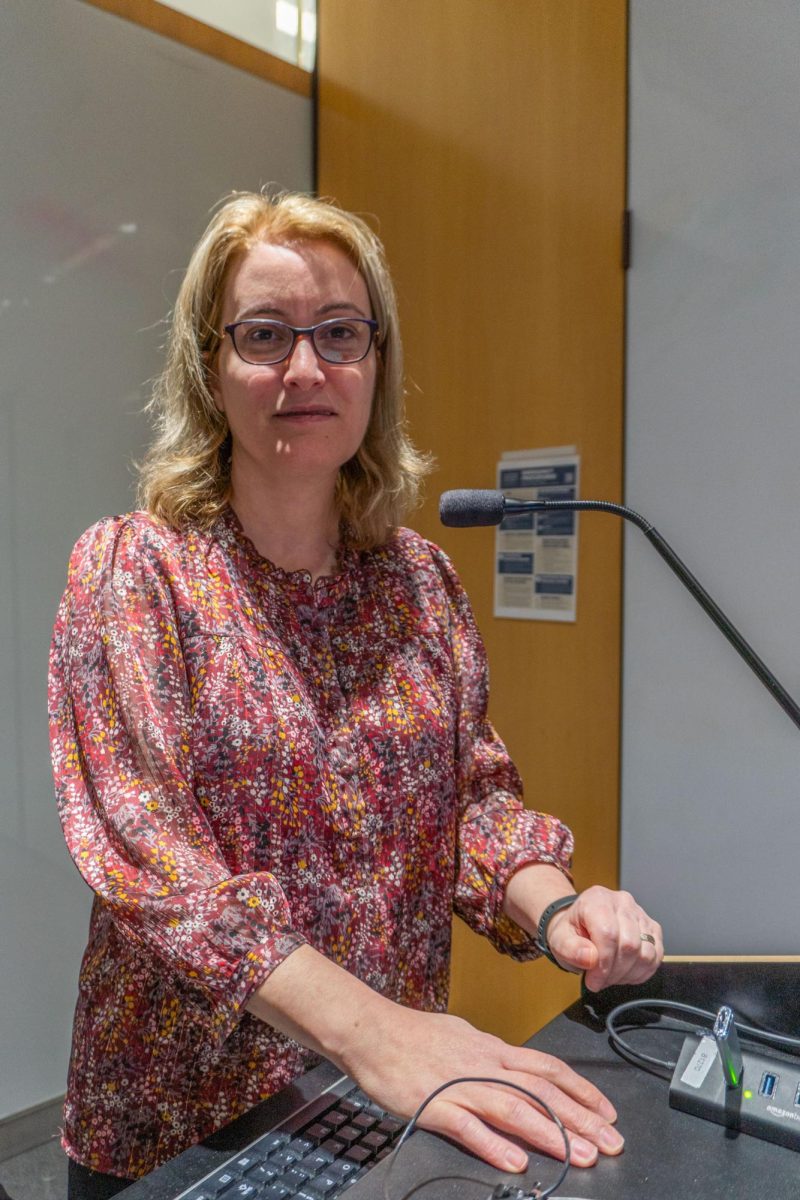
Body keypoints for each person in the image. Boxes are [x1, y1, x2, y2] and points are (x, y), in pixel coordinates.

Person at [49, 190, 663, 1199]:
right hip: (182, 1126)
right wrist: (377, 1034)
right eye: (263, 335)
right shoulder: (133, 569)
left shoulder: (418, 583)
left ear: (376, 363)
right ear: (210, 365)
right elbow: (153, 863)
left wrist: (559, 913)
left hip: (375, 1107)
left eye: (338, 332)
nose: (304, 367)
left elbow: (470, 806)